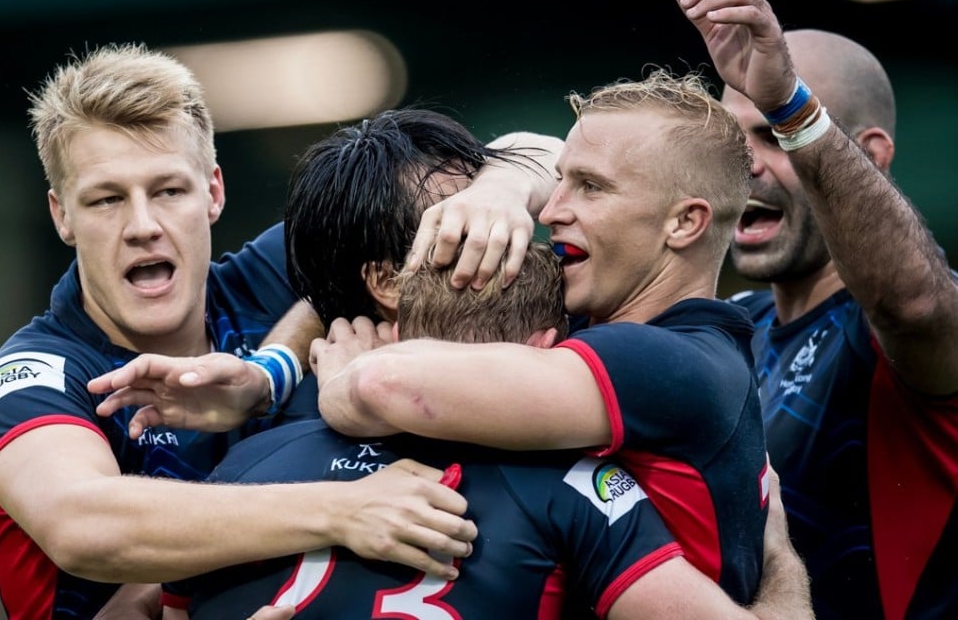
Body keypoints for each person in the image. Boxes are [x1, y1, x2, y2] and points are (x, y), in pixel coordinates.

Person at [0, 43, 479, 620]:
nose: (142, 226)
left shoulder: (269, 276)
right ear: (63, 215)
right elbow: (85, 525)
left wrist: (269, 373)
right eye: (107, 199)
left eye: (168, 191)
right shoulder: (29, 375)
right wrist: (346, 509)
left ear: (213, 191)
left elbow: (502, 171)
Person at [312, 68, 772, 606]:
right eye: (560, 181)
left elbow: (382, 385)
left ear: (684, 223)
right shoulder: (645, 335)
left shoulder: (671, 363)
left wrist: (343, 375)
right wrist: (498, 190)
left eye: (591, 187)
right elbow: (523, 147)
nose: (550, 211)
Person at [673, 0, 958, 620]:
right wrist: (508, 185)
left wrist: (793, 106)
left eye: (771, 134)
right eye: (729, 141)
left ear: (872, 153)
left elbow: (912, 303)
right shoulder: (720, 333)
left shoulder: (908, 331)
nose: (743, 168)